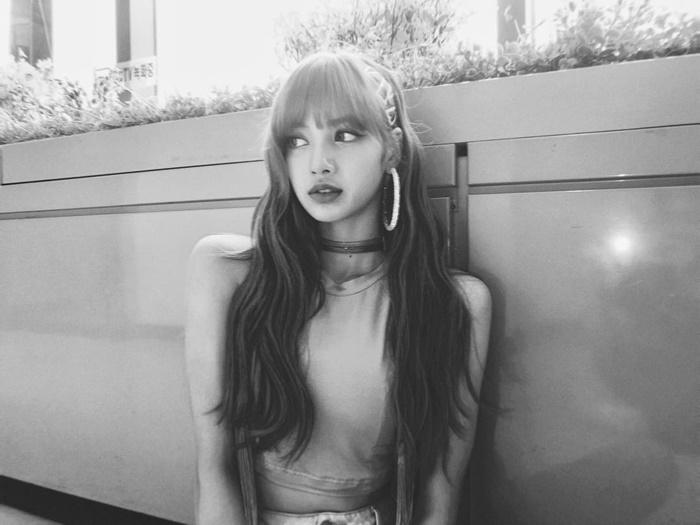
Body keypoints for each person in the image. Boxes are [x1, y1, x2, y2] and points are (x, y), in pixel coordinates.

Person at [185, 51, 492, 525]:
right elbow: (214, 473)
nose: (319, 163)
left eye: (345, 135)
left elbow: (440, 495)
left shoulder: (456, 304)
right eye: (297, 140)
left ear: (391, 149)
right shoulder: (227, 272)